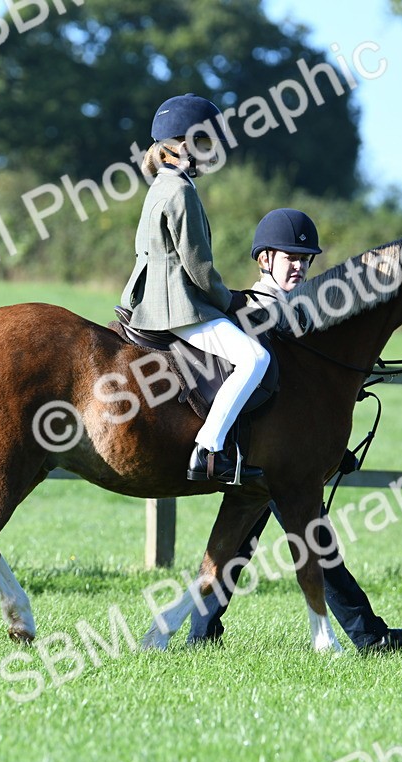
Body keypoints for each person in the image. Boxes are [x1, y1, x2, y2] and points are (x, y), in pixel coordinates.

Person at [186, 208, 402, 652]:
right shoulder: (256, 313)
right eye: (289, 256)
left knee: (245, 538)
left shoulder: (302, 313)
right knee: (310, 540)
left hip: (272, 455)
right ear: (264, 259)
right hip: (257, 452)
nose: (299, 265)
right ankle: (369, 636)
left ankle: (202, 634)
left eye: (306, 258)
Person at [121, 93, 270, 484]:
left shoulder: (160, 186)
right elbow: (199, 267)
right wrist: (230, 299)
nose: (213, 151)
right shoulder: (182, 192)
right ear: (183, 146)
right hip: (177, 308)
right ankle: (209, 449)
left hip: (149, 299)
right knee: (255, 358)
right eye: (208, 142)